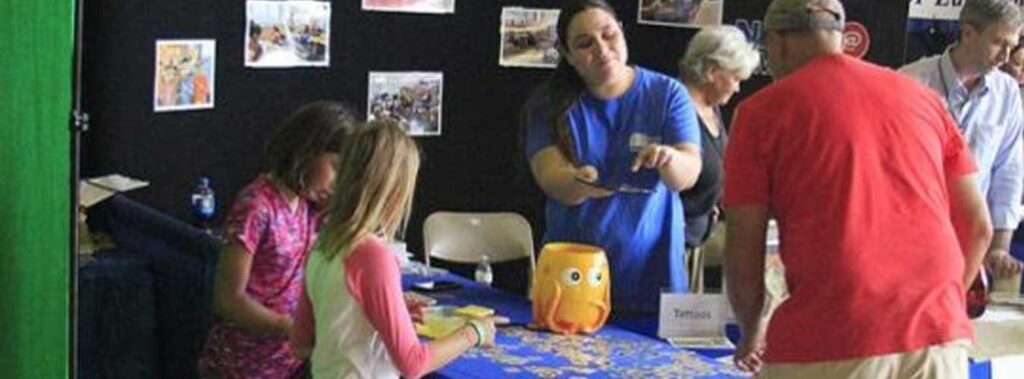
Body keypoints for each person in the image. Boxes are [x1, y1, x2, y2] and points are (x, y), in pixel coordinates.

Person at [724, 0, 993, 377]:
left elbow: (743, 251)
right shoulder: (923, 98)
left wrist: (753, 330)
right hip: (940, 340)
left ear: (778, 43)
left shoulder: (760, 113)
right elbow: (978, 226)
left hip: (833, 336)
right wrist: (941, 303)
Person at [522, 0, 703, 315]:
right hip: (572, 283)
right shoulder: (547, 103)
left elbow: (688, 174)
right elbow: (550, 177)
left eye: (609, 35)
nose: (602, 49)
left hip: (653, 277)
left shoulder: (668, 93)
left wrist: (669, 158)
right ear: (567, 55)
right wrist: (578, 181)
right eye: (584, 43)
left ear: (622, 31)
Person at [291, 121, 497, 379]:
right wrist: (474, 332)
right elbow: (413, 364)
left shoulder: (322, 246)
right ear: (395, 189)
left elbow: (300, 343)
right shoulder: (373, 256)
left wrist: (380, 319)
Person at [198, 101, 356, 379]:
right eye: (335, 167)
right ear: (307, 150)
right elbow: (227, 298)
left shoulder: (307, 207)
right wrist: (289, 328)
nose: (336, 183)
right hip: (238, 367)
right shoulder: (257, 205)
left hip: (284, 367)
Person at [901, 0, 1024, 283]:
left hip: (971, 245)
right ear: (968, 33)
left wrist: (999, 248)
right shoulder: (910, 83)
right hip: (911, 240)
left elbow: (1009, 171)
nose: (1006, 56)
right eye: (998, 42)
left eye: (1012, 45)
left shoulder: (1006, 93)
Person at [676, 25, 760, 293]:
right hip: (671, 246)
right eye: (735, 78)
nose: (737, 88)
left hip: (696, 240)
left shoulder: (711, 108)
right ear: (712, 71)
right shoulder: (676, 107)